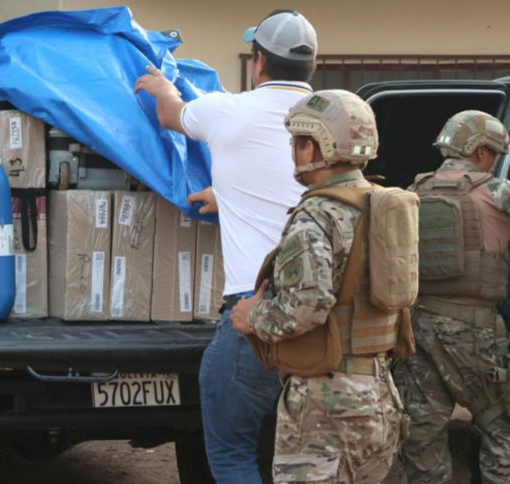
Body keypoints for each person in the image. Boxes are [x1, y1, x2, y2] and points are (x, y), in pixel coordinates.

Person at [135, 9, 317, 482]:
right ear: (311, 67)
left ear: (259, 62)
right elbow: (286, 185)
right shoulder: (332, 122)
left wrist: (162, 88)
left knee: (232, 453)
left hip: (255, 318)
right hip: (328, 320)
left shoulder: (228, 110)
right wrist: (228, 194)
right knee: (304, 460)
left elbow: (170, 116)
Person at [230, 89, 407, 483]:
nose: (295, 151)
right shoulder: (380, 205)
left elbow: (305, 308)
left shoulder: (318, 216)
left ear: (314, 146)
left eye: (298, 142)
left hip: (325, 400)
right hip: (378, 392)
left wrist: (251, 316)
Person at [393, 110, 510, 484]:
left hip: (417, 331)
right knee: (501, 427)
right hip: (474, 333)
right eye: (494, 154)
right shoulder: (497, 193)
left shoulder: (412, 193)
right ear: (480, 152)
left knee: (421, 437)